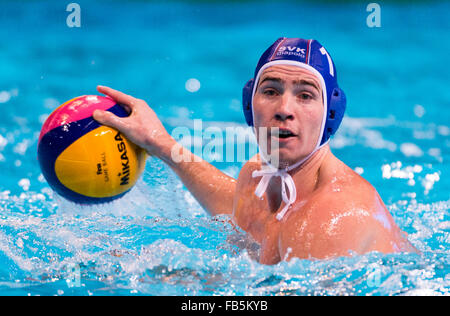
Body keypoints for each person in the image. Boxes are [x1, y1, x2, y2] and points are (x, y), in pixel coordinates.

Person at [93, 37, 416, 264]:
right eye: (271, 91)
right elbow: (235, 204)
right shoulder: (258, 176)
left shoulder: (331, 219)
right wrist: (160, 143)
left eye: (305, 95)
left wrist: (161, 279)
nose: (284, 109)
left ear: (331, 114)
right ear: (250, 105)